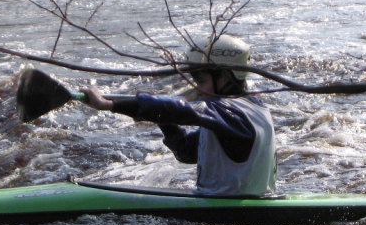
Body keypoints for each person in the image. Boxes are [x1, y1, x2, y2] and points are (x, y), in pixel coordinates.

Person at [81, 35, 277, 197]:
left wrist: (108, 105)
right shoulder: (252, 110)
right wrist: (160, 117)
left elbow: (182, 110)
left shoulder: (230, 114)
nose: (197, 90)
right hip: (245, 203)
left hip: (232, 210)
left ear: (224, 77)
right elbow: (186, 151)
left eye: (201, 81)